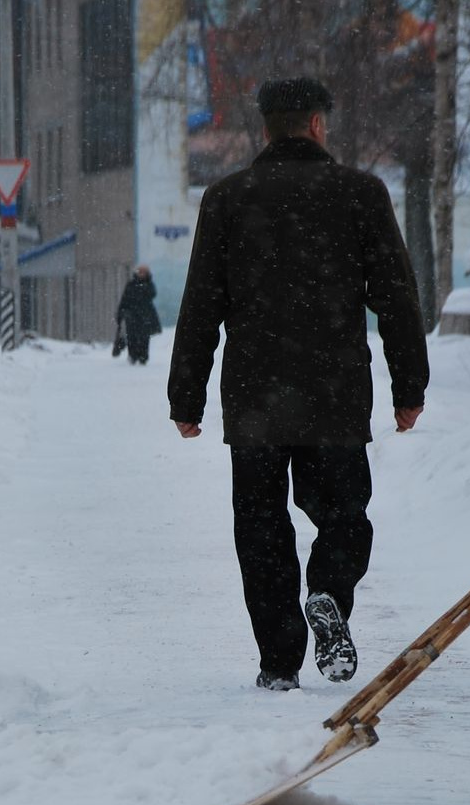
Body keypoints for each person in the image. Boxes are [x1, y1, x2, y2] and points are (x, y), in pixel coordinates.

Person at [168, 76, 429, 692]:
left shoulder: (228, 198)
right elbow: (395, 296)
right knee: (343, 515)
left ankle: (278, 660)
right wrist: (408, 386)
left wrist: (187, 396)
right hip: (335, 393)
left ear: (266, 128)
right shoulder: (360, 194)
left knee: (259, 525)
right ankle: (329, 592)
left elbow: (202, 303)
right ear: (317, 124)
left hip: (254, 397)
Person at [113, 266, 162, 365]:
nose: (141, 274)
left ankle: (143, 357)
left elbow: (153, 294)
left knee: (144, 337)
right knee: (131, 336)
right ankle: (133, 356)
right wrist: (121, 312)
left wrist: (144, 287)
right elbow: (125, 299)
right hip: (132, 316)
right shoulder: (131, 284)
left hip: (145, 316)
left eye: (144, 272)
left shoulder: (149, 284)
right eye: (140, 272)